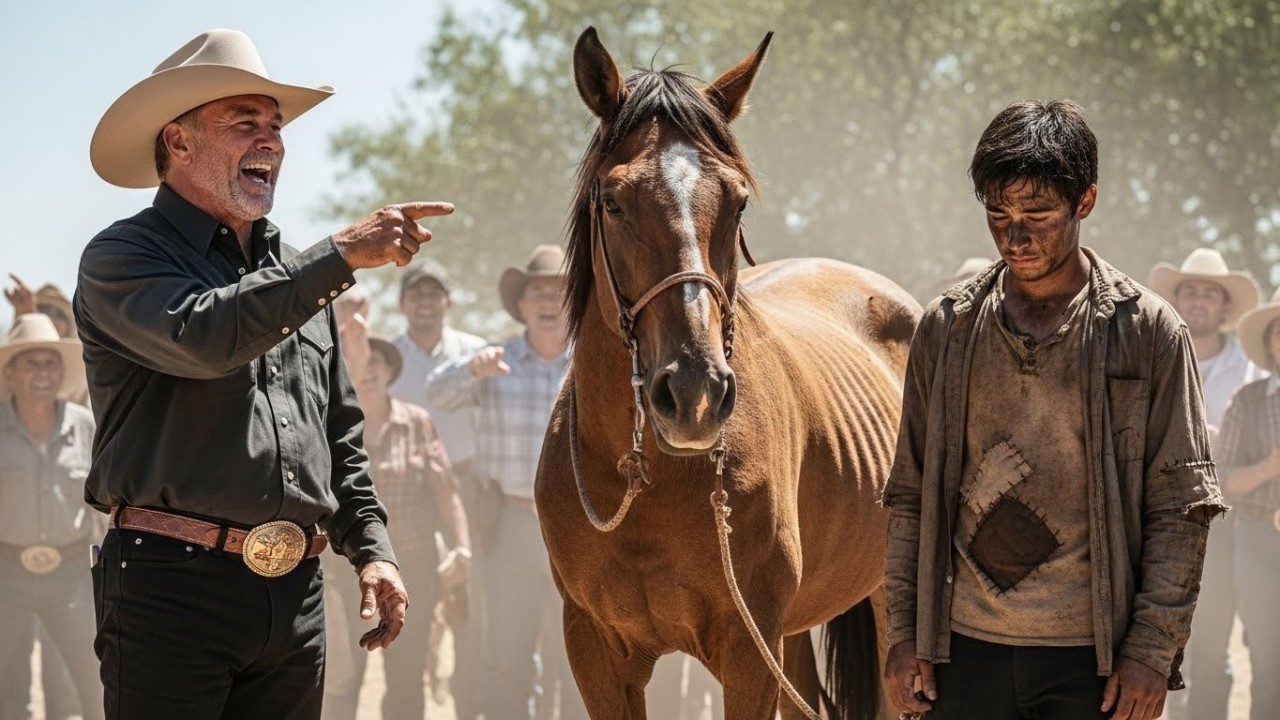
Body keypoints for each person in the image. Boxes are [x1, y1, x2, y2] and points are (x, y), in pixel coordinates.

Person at [77, 28, 454, 718]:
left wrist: (373, 550)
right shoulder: (123, 256)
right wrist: (338, 255)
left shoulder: (299, 278)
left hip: (296, 592)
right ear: (179, 141)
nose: (272, 141)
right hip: (170, 588)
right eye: (244, 122)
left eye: (275, 126)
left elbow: (340, 432)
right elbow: (206, 337)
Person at [881, 99, 1223, 720]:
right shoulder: (947, 328)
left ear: (1085, 201)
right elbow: (910, 494)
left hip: (1092, 663)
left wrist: (1150, 651)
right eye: (997, 213)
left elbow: (1181, 506)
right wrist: (902, 636)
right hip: (960, 652)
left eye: (1037, 213)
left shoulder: (1147, 332)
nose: (1015, 236)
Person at [426, 244, 583, 720]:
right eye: (537, 291)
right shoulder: (492, 360)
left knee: (581, 658)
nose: (547, 300)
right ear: (521, 305)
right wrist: (471, 369)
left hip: (581, 532)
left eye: (558, 290)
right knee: (507, 658)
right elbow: (436, 393)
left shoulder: (594, 363)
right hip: (510, 526)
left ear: (574, 300)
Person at [323, 332, 471, 720]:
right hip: (344, 570)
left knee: (406, 678)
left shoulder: (417, 422)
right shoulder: (330, 425)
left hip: (415, 569)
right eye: (361, 363)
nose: (370, 371)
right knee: (341, 679)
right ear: (346, 370)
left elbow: (446, 491)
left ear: (390, 370)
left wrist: (461, 547)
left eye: (378, 363)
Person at [1148, 247, 1261, 720]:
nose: (1197, 301)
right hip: (1161, 518)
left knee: (1212, 643)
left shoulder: (1250, 373)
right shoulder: (1156, 355)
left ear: (1222, 306)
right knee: (1157, 642)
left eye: (1207, 293)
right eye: (1188, 291)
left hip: (1225, 524)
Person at [386, 258, 488, 716]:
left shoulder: (476, 353)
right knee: (411, 611)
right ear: (403, 303)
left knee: (473, 607)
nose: (425, 302)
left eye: (434, 294)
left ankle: (466, 705)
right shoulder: (384, 359)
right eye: (416, 294)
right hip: (406, 498)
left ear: (448, 302)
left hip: (466, 486)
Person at [0, 314, 103, 720]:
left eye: (50, 364)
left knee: (92, 679)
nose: (43, 374)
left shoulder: (87, 426)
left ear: (62, 372)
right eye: (31, 364)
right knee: (7, 685)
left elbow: (108, 502)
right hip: (6, 573)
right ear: (11, 374)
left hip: (73, 574)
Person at [1213, 288, 1280, 720]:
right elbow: (1222, 481)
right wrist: (1271, 466)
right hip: (1259, 541)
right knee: (1269, 661)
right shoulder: (1248, 401)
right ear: (1271, 343)